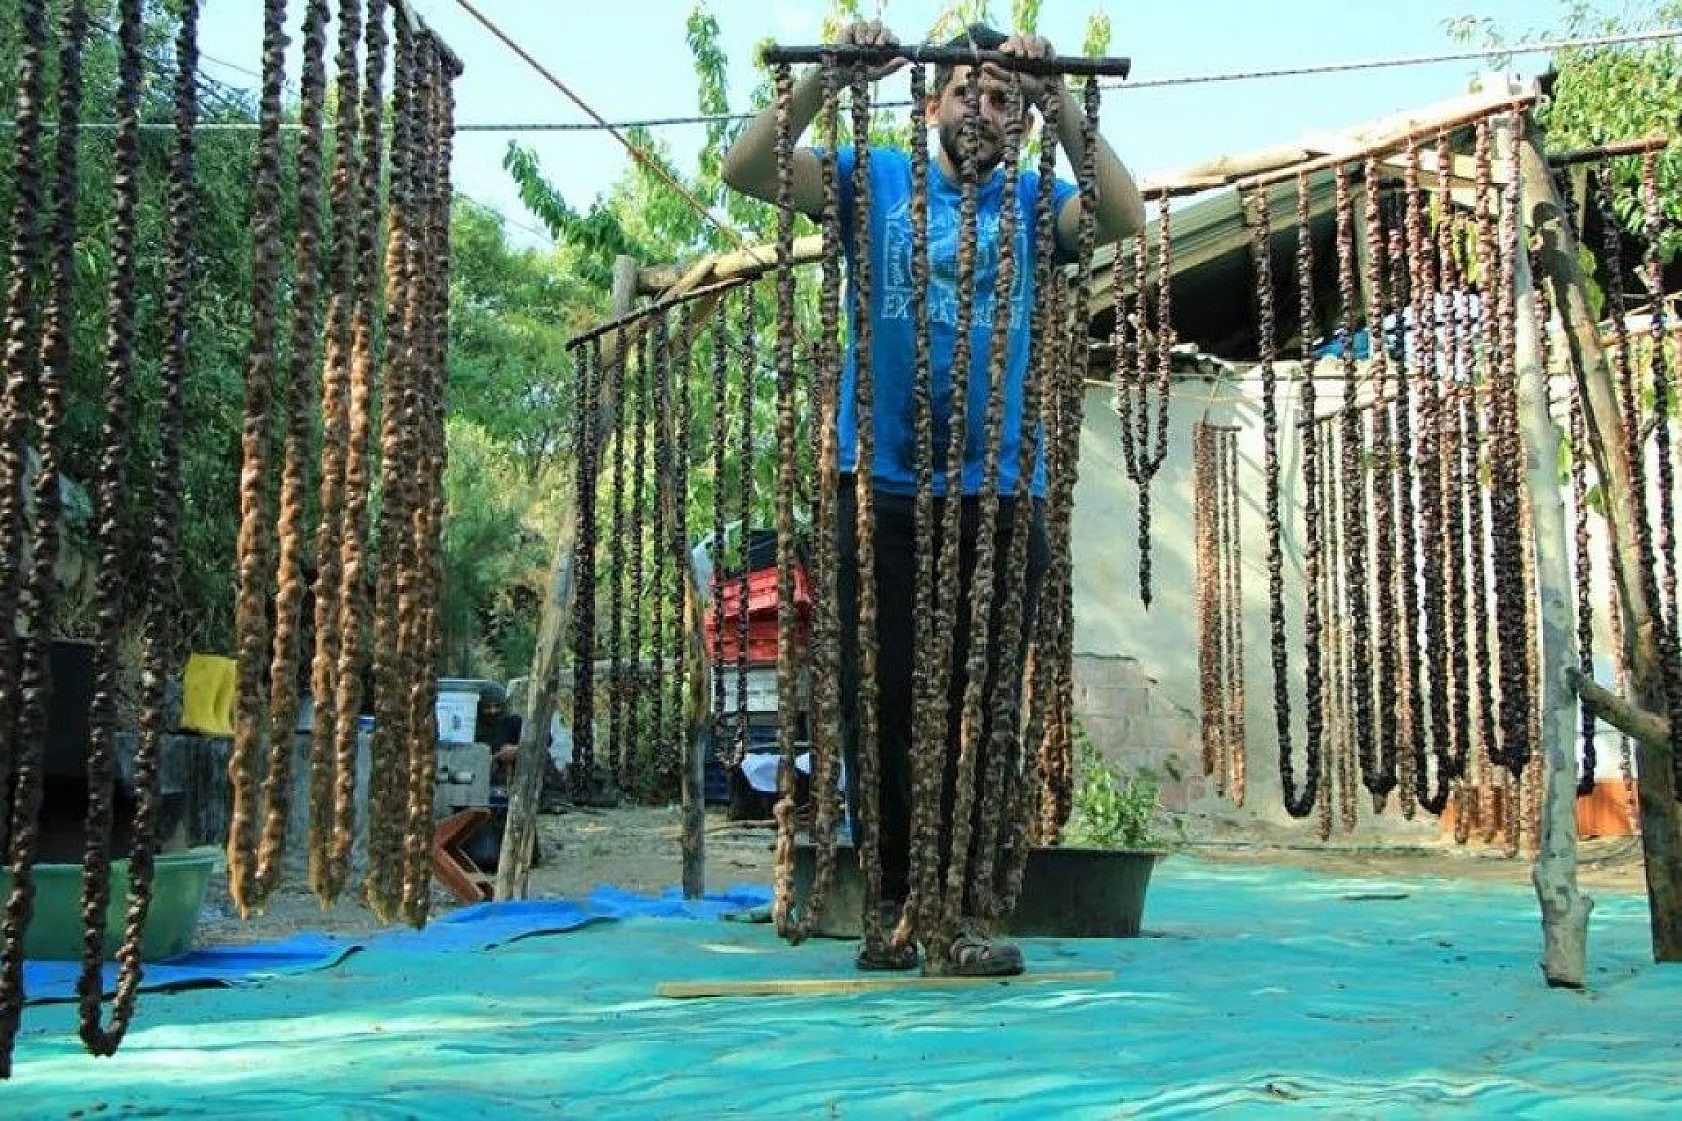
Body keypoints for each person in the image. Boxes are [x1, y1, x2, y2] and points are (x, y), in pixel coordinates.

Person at [721, 21, 1145, 975]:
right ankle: (896, 909)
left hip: (998, 497)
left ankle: (957, 912)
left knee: (981, 708)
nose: (984, 113)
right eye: (969, 92)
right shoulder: (873, 181)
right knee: (879, 708)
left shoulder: (1038, 203)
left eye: (1002, 100)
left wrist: (1058, 99)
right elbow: (747, 168)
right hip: (882, 490)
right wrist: (828, 79)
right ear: (930, 102)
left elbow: (1124, 215)